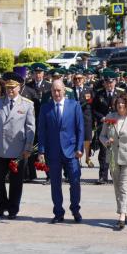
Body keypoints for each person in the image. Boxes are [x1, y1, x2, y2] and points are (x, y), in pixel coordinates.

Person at [0, 73, 35, 219]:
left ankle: (13, 208)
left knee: (16, 182)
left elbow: (30, 128)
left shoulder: (27, 104)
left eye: (13, 87)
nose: (10, 90)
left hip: (18, 149)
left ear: (19, 87)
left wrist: (28, 147)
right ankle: (2, 204)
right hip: (1, 148)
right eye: (8, 87)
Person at [38, 80, 84, 223]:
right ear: (51, 92)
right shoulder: (45, 108)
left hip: (71, 152)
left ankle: (75, 209)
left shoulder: (74, 106)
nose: (56, 93)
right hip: (53, 153)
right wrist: (41, 151)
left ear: (64, 90)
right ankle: (58, 212)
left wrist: (79, 148)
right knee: (55, 184)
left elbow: (80, 129)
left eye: (59, 90)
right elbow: (42, 131)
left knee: (75, 182)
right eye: (54, 91)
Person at [99, 93, 127, 230]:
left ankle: (122, 215)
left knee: (125, 187)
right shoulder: (110, 118)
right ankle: (123, 210)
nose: (120, 105)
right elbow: (102, 135)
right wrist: (106, 141)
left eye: (123, 103)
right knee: (117, 187)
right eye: (118, 103)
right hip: (113, 157)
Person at [92, 70, 123, 184]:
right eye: (107, 82)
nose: (109, 84)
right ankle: (103, 176)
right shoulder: (99, 94)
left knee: (116, 151)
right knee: (104, 152)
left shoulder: (120, 94)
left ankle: (115, 175)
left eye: (111, 82)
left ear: (115, 82)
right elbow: (94, 109)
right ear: (104, 83)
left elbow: (126, 109)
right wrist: (102, 118)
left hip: (117, 126)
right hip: (104, 125)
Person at [72, 70, 94, 168]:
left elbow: (92, 103)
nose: (77, 80)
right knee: (77, 138)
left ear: (83, 79)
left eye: (79, 78)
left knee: (87, 139)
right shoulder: (71, 90)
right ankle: (78, 158)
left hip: (86, 117)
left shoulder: (88, 89)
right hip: (74, 117)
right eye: (75, 79)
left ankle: (88, 158)